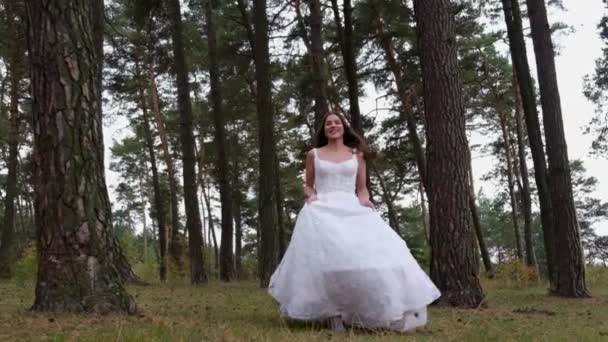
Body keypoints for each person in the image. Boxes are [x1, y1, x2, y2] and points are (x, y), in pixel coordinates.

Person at [268, 111, 441, 332]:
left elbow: (361, 188)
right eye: (328, 123)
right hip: (323, 210)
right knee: (328, 263)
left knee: (365, 259)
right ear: (324, 130)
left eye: (336, 122)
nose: (332, 126)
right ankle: (333, 314)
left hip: (350, 207)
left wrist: (366, 202)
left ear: (343, 126)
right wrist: (310, 196)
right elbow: (308, 184)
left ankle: (369, 311)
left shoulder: (356, 154)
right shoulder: (314, 154)